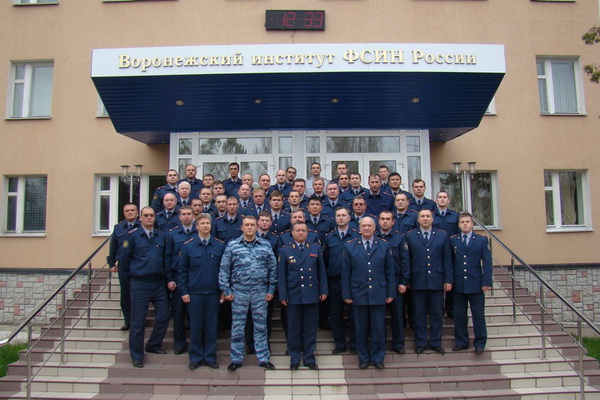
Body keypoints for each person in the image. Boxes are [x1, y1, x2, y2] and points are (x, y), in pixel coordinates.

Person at [219, 216, 278, 371]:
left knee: (261, 326)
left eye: (252, 225)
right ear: (242, 227)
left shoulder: (265, 245)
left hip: (260, 292)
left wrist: (271, 289)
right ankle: (236, 359)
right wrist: (226, 290)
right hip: (239, 292)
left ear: (257, 227)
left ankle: (263, 358)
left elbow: (273, 269)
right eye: (247, 225)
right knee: (238, 327)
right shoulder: (233, 245)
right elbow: (224, 269)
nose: (250, 227)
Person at [119, 207, 172, 368]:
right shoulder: (132, 236)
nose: (149, 218)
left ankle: (153, 344)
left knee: (164, 315)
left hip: (158, 283)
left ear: (155, 217)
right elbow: (124, 261)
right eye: (146, 215)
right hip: (140, 283)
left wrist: (168, 279)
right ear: (140, 218)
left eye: (151, 215)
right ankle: (136, 355)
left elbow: (166, 259)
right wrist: (130, 280)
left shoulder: (161, 236)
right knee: (137, 321)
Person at [342, 217, 395, 369]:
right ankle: (363, 358)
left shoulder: (384, 245)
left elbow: (389, 271)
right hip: (358, 293)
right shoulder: (350, 246)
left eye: (369, 226)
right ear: (359, 228)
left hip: (378, 292)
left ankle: (378, 358)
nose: (366, 228)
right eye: (364, 226)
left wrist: (390, 292)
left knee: (378, 329)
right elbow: (346, 272)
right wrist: (347, 294)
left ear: (374, 228)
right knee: (360, 329)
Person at [178, 213, 226, 370]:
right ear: (197, 226)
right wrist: (184, 292)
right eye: (202, 223)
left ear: (211, 226)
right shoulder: (188, 246)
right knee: (196, 327)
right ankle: (196, 357)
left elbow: (224, 270)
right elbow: (182, 271)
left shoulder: (219, 246)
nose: (206, 226)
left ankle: (210, 357)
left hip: (213, 293)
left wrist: (223, 290)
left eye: (208, 223)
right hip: (195, 294)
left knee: (211, 327)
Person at [278, 222, 328, 370]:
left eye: (303, 230)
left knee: (310, 329)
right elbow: (281, 275)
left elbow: (321, 272)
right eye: (298, 230)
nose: (300, 233)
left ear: (308, 233)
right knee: (293, 329)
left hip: (311, 294)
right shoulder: (285, 250)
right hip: (293, 295)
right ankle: (294, 359)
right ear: (292, 233)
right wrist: (283, 294)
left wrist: (323, 291)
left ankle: (309, 358)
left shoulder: (315, 248)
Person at [405, 209, 453, 354]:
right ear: (418, 219)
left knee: (437, 314)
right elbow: (407, 260)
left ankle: (435, 342)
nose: (425, 219)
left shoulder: (442, 235)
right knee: (418, 314)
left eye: (428, 216)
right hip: (417, 281)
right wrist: (407, 279)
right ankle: (420, 342)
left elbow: (447, 259)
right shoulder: (410, 235)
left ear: (432, 219)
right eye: (422, 216)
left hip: (437, 280)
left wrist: (448, 279)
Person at [450, 212, 492, 354]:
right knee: (459, 316)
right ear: (459, 225)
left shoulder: (481, 240)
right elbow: (450, 263)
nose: (465, 224)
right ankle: (462, 342)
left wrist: (486, 281)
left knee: (478, 315)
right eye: (462, 222)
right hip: (458, 283)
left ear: (472, 224)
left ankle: (480, 343)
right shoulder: (453, 240)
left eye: (467, 222)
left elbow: (487, 262)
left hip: (476, 283)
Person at [323, 207, 359, 354]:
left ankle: (354, 344)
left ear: (349, 218)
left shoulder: (356, 236)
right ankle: (339, 344)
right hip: (335, 282)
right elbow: (325, 259)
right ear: (335, 218)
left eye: (344, 215)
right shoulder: (329, 237)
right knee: (335, 315)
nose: (341, 218)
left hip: (352, 282)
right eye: (338, 215)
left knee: (354, 315)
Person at [376, 210, 409, 354]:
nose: (385, 221)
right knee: (379, 317)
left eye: (388, 219)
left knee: (397, 315)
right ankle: (380, 345)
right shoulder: (374, 237)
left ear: (393, 222)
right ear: (378, 221)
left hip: (396, 281)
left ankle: (398, 344)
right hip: (378, 282)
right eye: (382, 219)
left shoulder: (400, 238)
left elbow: (405, 261)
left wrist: (404, 282)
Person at [165, 206, 197, 355]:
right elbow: (167, 257)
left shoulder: (199, 232)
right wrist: (169, 279)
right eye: (183, 214)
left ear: (193, 216)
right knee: (178, 313)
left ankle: (196, 344)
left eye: (189, 214)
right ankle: (179, 344)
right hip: (178, 277)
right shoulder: (172, 234)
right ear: (179, 217)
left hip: (195, 277)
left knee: (195, 314)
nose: (186, 217)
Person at [107, 203, 140, 331]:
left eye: (132, 210)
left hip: (139, 264)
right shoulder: (118, 228)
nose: (130, 212)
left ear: (137, 212)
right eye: (127, 211)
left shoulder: (142, 226)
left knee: (138, 293)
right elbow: (114, 247)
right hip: (124, 266)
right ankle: (128, 321)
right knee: (125, 294)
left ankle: (138, 320)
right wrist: (111, 263)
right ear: (124, 213)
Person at [432, 190, 460, 318]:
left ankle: (450, 309)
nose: (442, 199)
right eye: (440, 197)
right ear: (436, 200)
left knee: (450, 281)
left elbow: (459, 233)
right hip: (435, 252)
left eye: (444, 197)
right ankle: (438, 308)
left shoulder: (455, 216)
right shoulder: (432, 216)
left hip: (452, 253)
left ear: (448, 200)